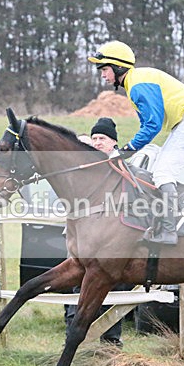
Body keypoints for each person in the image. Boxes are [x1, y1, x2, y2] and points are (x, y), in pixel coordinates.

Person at [88, 40, 184, 245]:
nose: (103, 75)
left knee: (164, 173)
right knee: (159, 172)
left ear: (119, 67)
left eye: (105, 69)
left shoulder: (137, 85)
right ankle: (165, 222)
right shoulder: (135, 82)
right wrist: (128, 149)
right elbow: (148, 123)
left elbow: (152, 126)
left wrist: (127, 149)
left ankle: (169, 230)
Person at [64, 117, 124, 347]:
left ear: (113, 143)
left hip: (112, 241)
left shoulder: (119, 164)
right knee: (78, 287)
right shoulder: (86, 165)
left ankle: (110, 342)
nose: (98, 142)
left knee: (110, 289)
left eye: (103, 139)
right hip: (83, 239)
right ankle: (72, 337)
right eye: (95, 138)